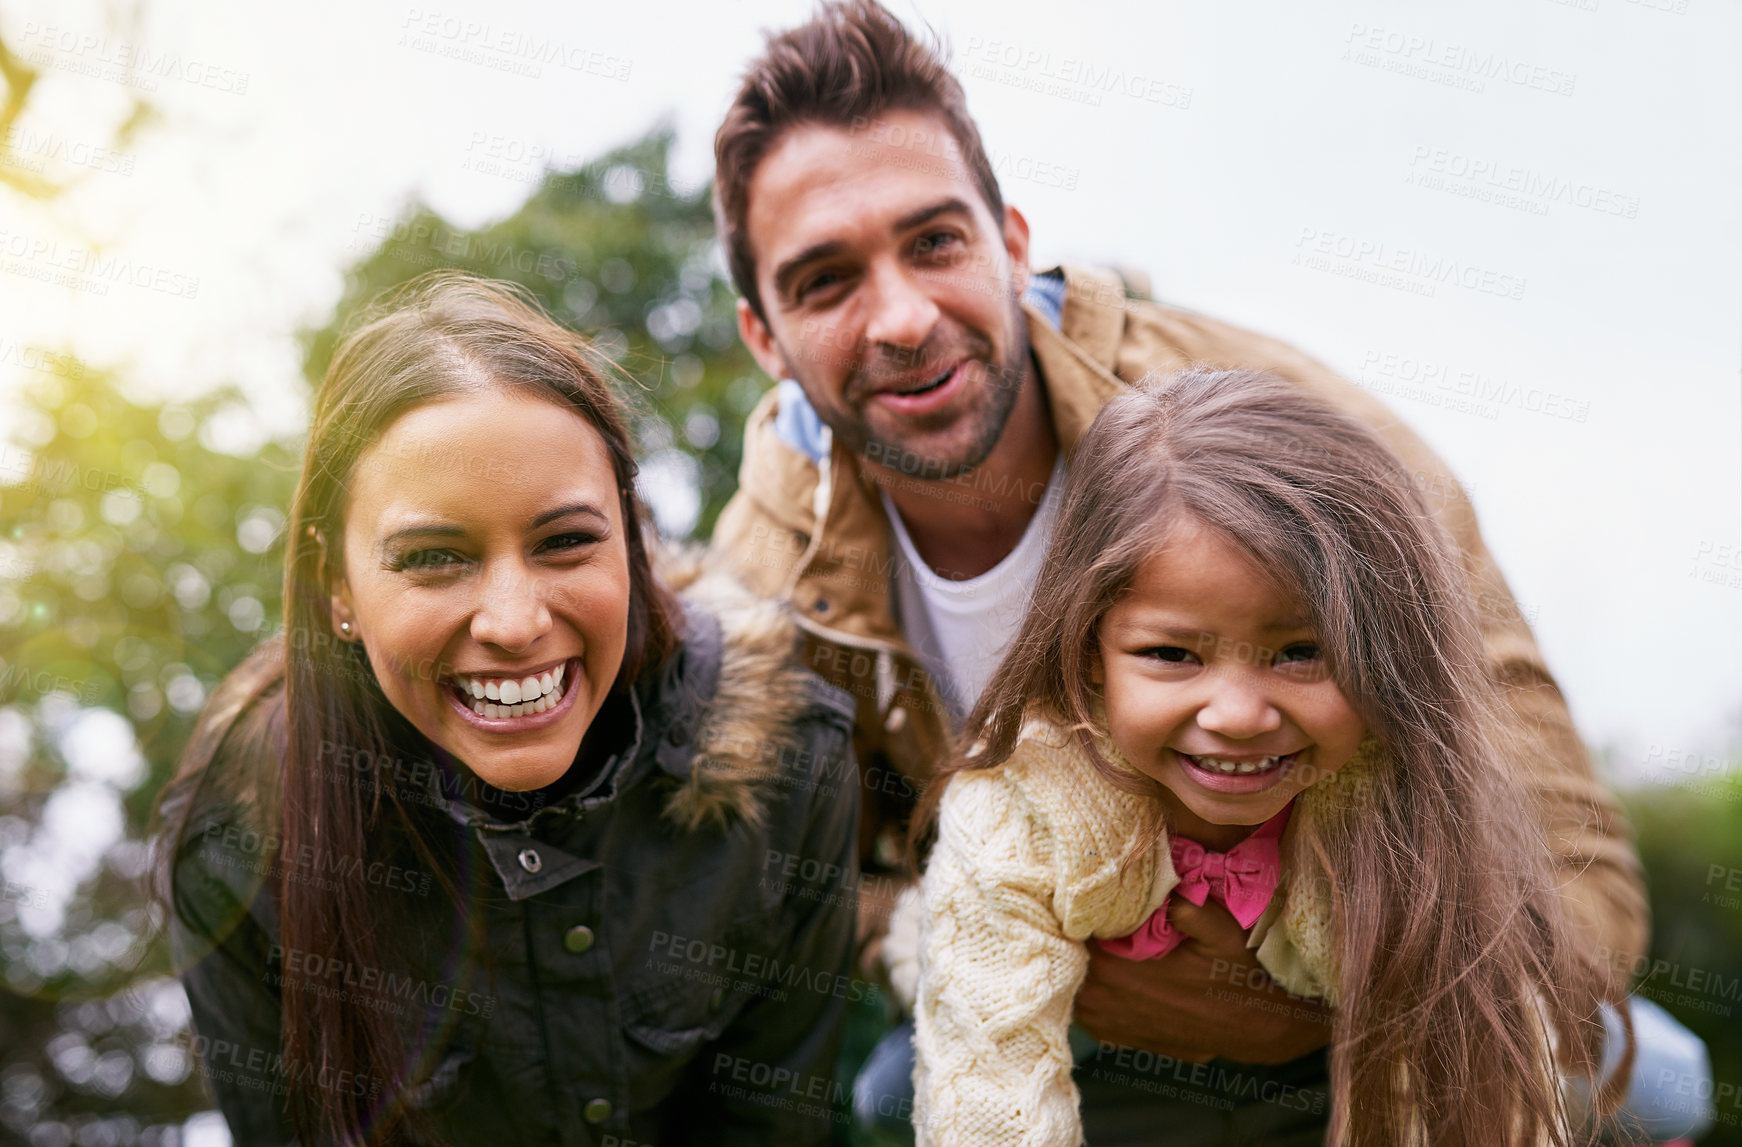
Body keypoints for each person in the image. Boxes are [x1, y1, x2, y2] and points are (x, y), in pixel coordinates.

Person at [706, 0, 1647, 1081]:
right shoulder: (763, 568)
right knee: (891, 1096)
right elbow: (795, 880)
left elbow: (1572, 855)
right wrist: (954, 940)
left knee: (1638, 1071)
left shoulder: (1291, 437)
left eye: (934, 242)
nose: (903, 318)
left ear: (1010, 245)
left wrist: (1320, 1016)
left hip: (1385, 977)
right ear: (762, 338)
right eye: (824, 280)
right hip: (1064, 1001)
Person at [153, 273, 860, 1146]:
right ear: (337, 581)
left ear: (632, 544)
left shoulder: (789, 758)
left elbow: (770, 1128)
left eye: (566, 541)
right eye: (433, 556)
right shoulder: (238, 838)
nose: (517, 622)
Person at [903, 368, 1620, 1147]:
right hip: (1055, 1006)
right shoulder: (1025, 807)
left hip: (1327, 1036)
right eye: (1173, 653)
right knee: (899, 1082)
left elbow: (1470, 1080)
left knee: (1632, 1071)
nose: (1239, 715)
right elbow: (988, 1098)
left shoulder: (1395, 800)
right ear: (1088, 652)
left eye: (1300, 653)